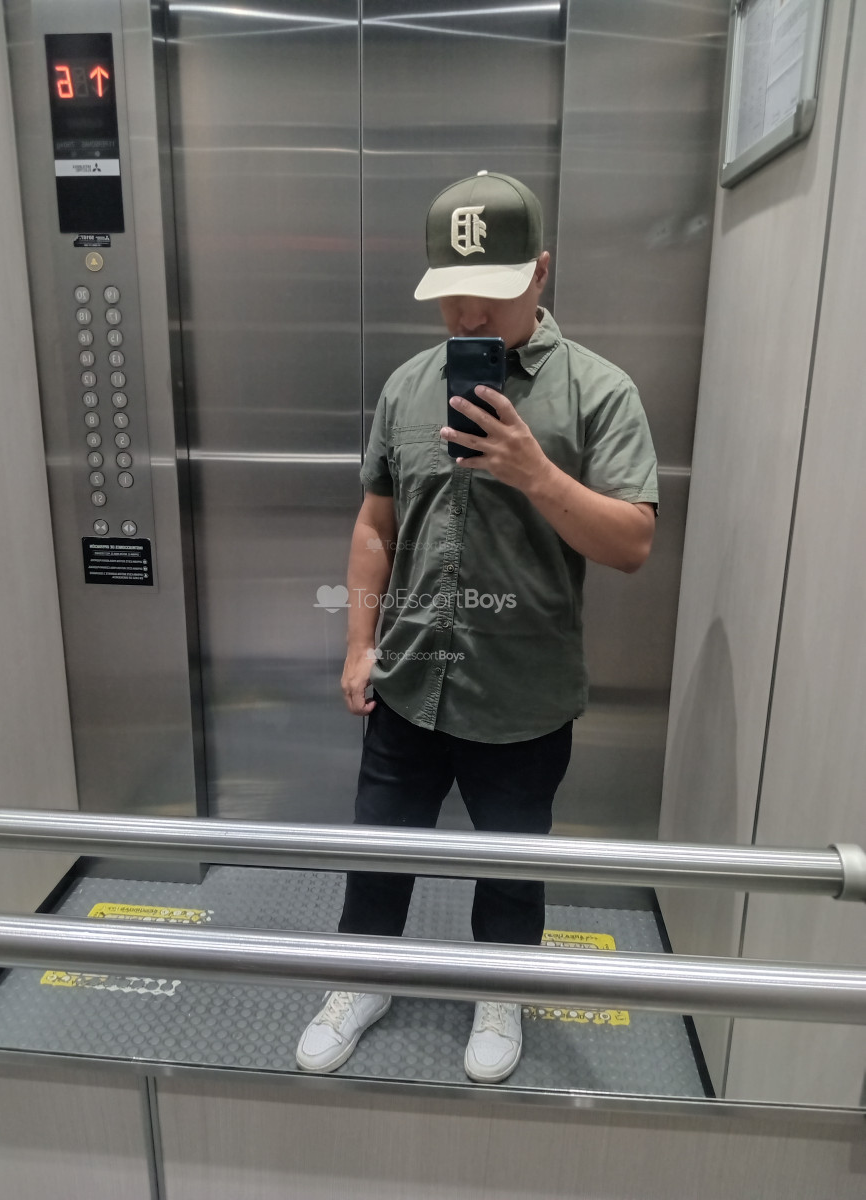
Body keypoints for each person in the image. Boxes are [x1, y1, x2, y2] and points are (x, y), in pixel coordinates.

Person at [296, 171, 658, 1083]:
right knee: (380, 847)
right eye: (452, 292)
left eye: (491, 291)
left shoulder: (599, 391)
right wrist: (358, 644)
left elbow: (632, 543)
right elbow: (375, 526)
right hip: (409, 680)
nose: (468, 314)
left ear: (541, 271)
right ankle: (363, 976)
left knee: (510, 863)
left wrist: (535, 472)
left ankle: (502, 987)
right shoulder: (408, 387)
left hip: (523, 693)